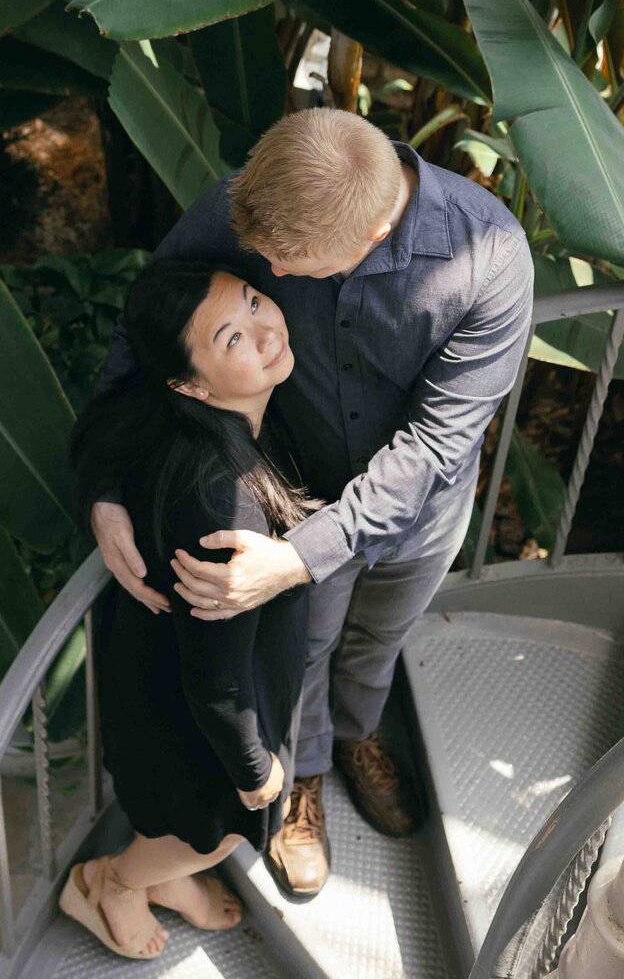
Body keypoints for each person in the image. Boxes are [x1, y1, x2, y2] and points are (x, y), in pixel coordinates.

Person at [88, 109, 533, 899]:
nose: (265, 271)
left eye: (284, 266)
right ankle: (307, 775)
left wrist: (301, 557)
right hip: (297, 497)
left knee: (378, 642)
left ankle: (358, 736)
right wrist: (105, 482)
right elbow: (146, 331)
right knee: (301, 656)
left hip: (419, 515)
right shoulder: (250, 211)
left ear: (364, 242)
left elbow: (434, 446)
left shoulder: (489, 258)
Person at [60, 257, 315, 960]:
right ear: (187, 380)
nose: (264, 331)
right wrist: (254, 770)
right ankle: (111, 883)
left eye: (256, 302)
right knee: (222, 827)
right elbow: (217, 682)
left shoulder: (202, 417)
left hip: (164, 668)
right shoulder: (223, 500)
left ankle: (162, 876)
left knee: (198, 828)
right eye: (231, 337)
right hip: (190, 706)